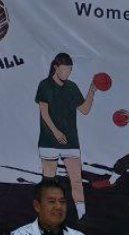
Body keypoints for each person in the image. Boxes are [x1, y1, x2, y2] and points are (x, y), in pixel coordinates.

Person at [35, 53, 99, 220]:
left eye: (70, 70)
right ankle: (46, 214)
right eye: (64, 69)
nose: (67, 73)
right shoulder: (45, 85)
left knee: (76, 180)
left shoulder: (72, 87)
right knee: (49, 181)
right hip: (49, 141)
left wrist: (92, 90)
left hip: (70, 141)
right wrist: (56, 132)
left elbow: (84, 110)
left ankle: (82, 215)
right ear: (56, 67)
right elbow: (44, 113)